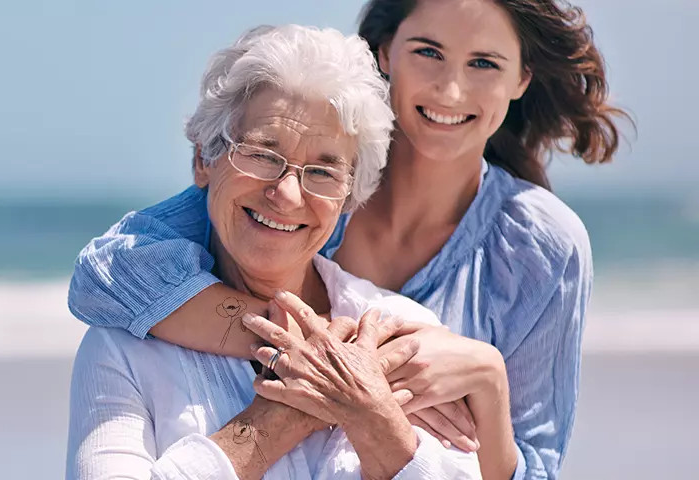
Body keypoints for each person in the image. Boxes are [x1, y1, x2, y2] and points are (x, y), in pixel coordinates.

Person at [68, 1, 630, 479]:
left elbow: (532, 463)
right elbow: (109, 272)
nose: (452, 87)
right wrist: (310, 355)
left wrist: (487, 377)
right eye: (428, 51)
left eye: (484, 62)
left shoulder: (540, 246)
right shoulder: (298, 168)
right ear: (385, 52)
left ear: (520, 79)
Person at [66, 24, 483, 480]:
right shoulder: (122, 347)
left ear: (349, 198)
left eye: (324, 171)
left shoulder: (407, 337)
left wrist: (373, 419)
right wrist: (279, 419)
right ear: (204, 159)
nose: (286, 195)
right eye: (262, 153)